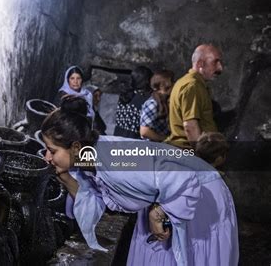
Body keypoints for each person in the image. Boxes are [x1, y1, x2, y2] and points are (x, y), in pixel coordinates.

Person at [41, 96, 239, 266]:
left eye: (52, 151)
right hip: (170, 192)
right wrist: (64, 177)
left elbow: (186, 180)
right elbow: (94, 205)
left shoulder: (117, 161)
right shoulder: (88, 160)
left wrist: (157, 212)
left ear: (75, 147)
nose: (47, 158)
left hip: (201, 193)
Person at [166, 44, 223, 149]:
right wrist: (201, 157)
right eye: (215, 62)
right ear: (201, 64)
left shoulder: (189, 82)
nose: (220, 68)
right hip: (189, 152)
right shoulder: (193, 86)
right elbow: (190, 127)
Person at [114, 66, 153, 139]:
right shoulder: (145, 99)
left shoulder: (125, 93)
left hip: (117, 137)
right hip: (133, 141)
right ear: (147, 81)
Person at [140, 70, 175, 142]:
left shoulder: (166, 101)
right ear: (163, 85)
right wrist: (165, 139)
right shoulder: (153, 103)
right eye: (171, 81)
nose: (174, 84)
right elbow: (144, 131)